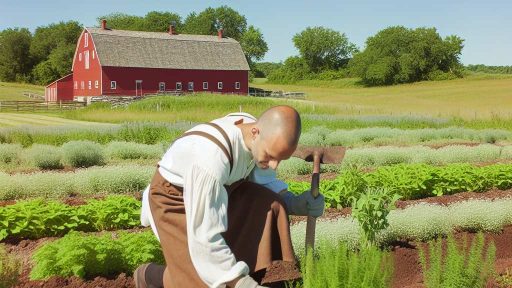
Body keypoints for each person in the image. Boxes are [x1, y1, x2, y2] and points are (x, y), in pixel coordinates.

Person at [136, 106, 325, 288]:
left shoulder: (254, 136)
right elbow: (205, 237)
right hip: (174, 200)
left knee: (270, 205)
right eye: (270, 156)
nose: (274, 165)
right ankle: (151, 276)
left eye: (280, 159)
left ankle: (244, 275)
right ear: (255, 132)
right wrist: (241, 284)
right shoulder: (211, 161)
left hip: (221, 193)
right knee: (205, 281)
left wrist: (294, 203)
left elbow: (264, 183)